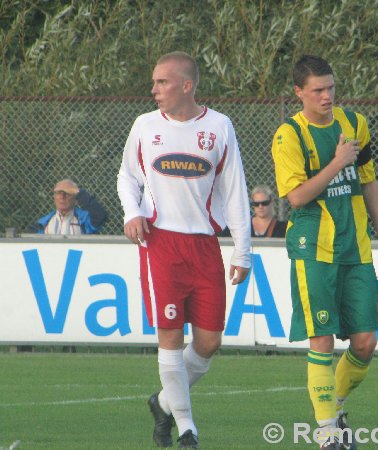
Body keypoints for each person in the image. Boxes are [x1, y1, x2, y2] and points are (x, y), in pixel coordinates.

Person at [117, 51, 251, 449]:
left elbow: (235, 191)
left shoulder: (219, 127)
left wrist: (242, 250)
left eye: (162, 82)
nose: (154, 89)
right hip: (160, 243)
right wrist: (132, 212)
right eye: (155, 82)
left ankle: (162, 403)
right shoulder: (144, 126)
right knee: (170, 338)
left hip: (205, 246)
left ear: (187, 86)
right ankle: (187, 427)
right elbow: (127, 176)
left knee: (209, 342)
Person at [271, 55, 378, 450]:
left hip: (355, 246)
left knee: (365, 342)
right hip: (314, 248)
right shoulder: (288, 135)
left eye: (331, 88)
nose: (327, 96)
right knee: (321, 339)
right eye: (318, 90)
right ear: (299, 93)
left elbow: (368, 183)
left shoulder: (355, 123)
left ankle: (335, 406)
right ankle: (327, 434)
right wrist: (338, 161)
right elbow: (296, 197)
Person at [35, 179, 108, 234]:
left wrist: (80, 192)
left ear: (75, 198)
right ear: (54, 197)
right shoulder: (43, 222)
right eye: (59, 193)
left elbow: (100, 216)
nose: (62, 197)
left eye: (67, 193)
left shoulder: (84, 219)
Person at [220, 185, 287, 238]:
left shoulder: (282, 228)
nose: (260, 206)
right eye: (256, 204)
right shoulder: (242, 226)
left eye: (264, 203)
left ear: (271, 202)